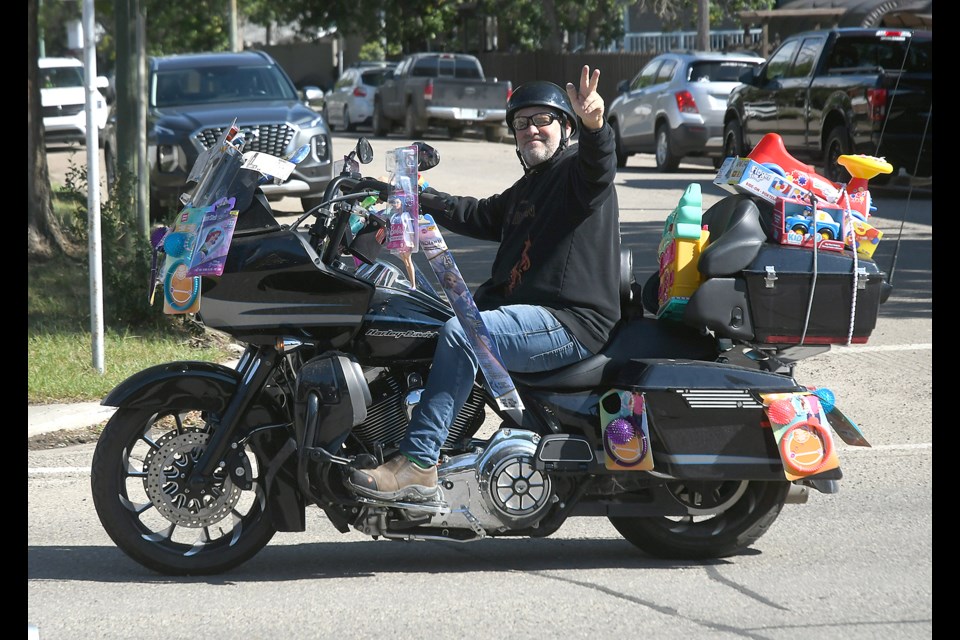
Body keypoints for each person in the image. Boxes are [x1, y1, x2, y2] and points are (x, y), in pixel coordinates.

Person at [348, 65, 622, 502]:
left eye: (542, 120)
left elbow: (599, 165)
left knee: (465, 334)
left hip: (569, 320)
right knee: (428, 317)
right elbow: (481, 214)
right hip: (533, 315)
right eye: (521, 123)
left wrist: (595, 125)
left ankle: (418, 462)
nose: (531, 129)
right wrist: (404, 193)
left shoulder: (576, 173)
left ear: (565, 128)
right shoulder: (532, 186)